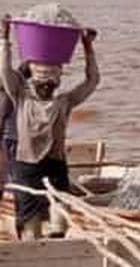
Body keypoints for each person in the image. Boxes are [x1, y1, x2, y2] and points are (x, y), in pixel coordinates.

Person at [0, 15, 100, 239]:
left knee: (59, 221)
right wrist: (4, 36)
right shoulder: (21, 97)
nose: (46, 82)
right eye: (41, 77)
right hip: (27, 167)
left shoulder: (64, 102)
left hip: (55, 165)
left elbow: (92, 81)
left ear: (58, 81)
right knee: (30, 228)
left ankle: (56, 241)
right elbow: (5, 70)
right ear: (32, 80)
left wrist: (87, 47)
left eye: (51, 78)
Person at [0, 63, 30, 196]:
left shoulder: (10, 93)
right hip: (12, 137)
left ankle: (12, 193)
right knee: (11, 169)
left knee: (11, 169)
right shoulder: (10, 93)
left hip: (12, 137)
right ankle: (12, 193)